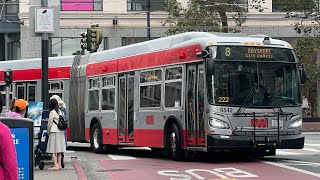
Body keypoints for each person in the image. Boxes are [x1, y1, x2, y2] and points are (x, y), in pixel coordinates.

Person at [46, 98, 66, 171]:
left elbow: (50, 124)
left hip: (54, 132)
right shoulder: (60, 111)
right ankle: (59, 164)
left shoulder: (52, 112)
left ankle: (55, 165)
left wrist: (48, 132)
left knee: (52, 149)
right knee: (59, 149)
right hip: (61, 132)